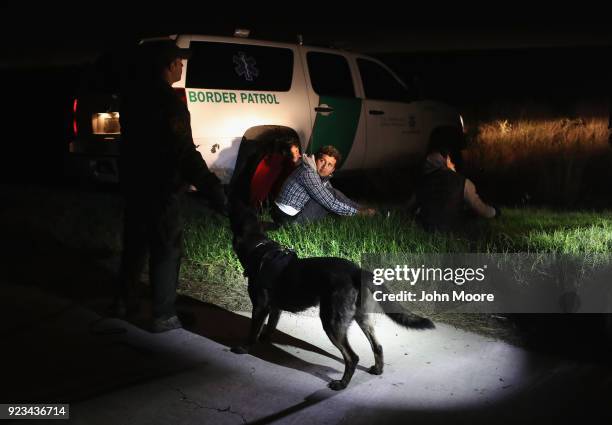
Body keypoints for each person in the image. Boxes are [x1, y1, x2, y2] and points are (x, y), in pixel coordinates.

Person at [115, 40, 227, 332]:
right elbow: (184, 152)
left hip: (135, 183)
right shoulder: (169, 104)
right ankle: (163, 315)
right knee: (166, 247)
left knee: (135, 244)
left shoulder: (132, 97)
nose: (182, 65)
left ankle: (123, 303)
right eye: (179, 61)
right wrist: (212, 187)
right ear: (167, 65)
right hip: (161, 187)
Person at [271, 145, 375, 225]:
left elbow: (332, 193)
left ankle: (365, 210)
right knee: (329, 198)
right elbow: (330, 202)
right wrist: (357, 213)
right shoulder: (308, 173)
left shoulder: (314, 173)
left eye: (329, 165)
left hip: (285, 216)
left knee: (331, 192)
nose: (324, 166)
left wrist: (357, 209)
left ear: (333, 170)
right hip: (288, 220)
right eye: (322, 161)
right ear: (315, 159)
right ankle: (362, 213)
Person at [415, 143, 499, 232]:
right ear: (446, 160)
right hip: (450, 229)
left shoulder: (424, 181)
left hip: (426, 227)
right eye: (450, 160)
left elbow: (413, 205)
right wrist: (494, 212)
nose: (453, 164)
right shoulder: (462, 182)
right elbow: (482, 210)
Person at [249, 139, 301, 208]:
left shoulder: (269, 158)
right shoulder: (285, 165)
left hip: (253, 201)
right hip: (263, 206)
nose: (299, 155)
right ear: (286, 151)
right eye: (296, 151)